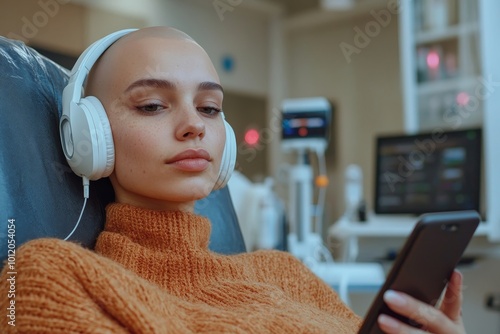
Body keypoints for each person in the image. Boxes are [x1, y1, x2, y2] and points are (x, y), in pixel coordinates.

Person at [0, 26, 466, 333]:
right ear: (89, 135)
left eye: (209, 108)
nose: (194, 126)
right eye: (152, 105)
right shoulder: (51, 278)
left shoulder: (287, 275)